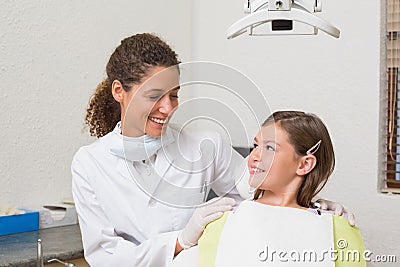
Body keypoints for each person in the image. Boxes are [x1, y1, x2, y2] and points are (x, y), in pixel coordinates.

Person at [71, 33, 353, 267]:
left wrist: (312, 206)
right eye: (155, 96)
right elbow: (105, 255)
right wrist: (180, 240)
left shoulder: (205, 144)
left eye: (174, 95)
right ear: (119, 91)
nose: (168, 108)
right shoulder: (89, 164)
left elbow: (260, 189)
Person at [172, 111, 365, 266]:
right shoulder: (220, 221)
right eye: (255, 145)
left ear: (304, 165)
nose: (254, 155)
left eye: (270, 148)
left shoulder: (337, 229)